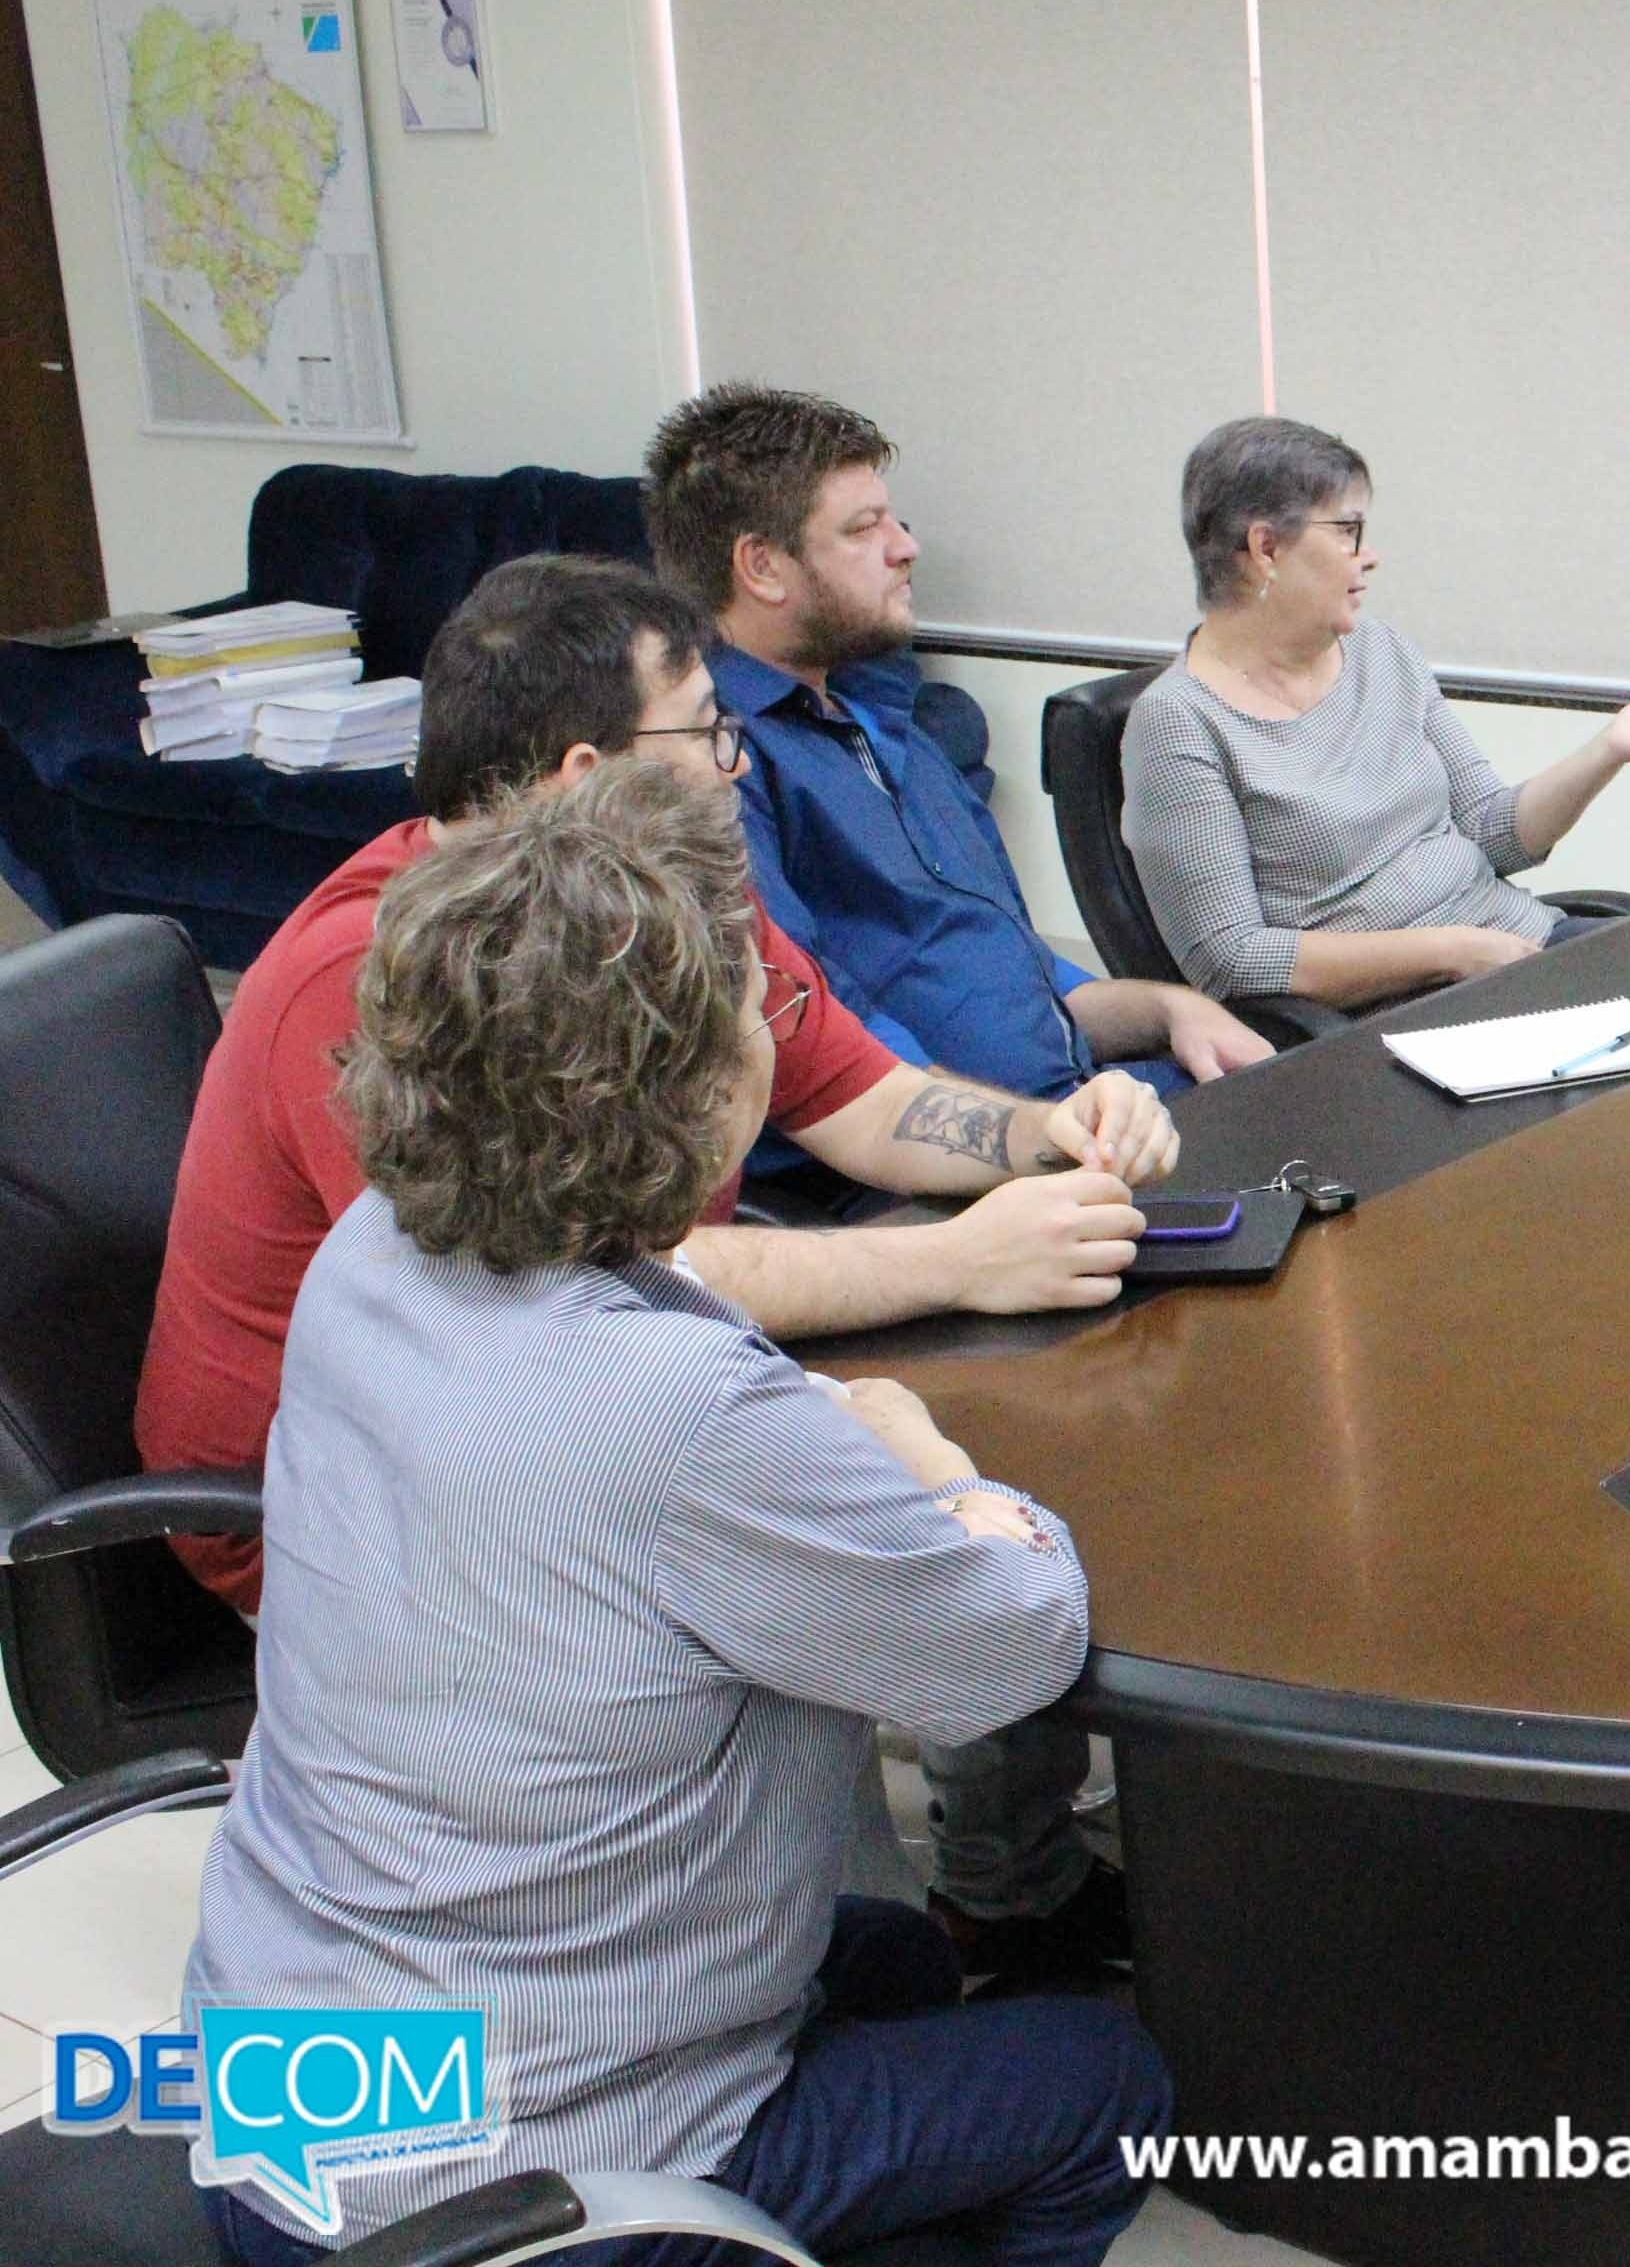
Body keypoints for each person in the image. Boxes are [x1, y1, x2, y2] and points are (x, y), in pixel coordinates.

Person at [184, 764, 1167, 2267]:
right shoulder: (683, 1415)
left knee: (896, 1956)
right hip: (503, 2194)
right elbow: (1012, 1649)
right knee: (1105, 2081)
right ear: (695, 1091)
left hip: (289, 2111)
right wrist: (930, 1463)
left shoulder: (373, 1253)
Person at [138, 554, 1151, 1981]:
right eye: (705, 731)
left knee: (895, 1441)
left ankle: (974, 1895)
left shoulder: (661, 904)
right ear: (583, 769)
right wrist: (954, 1263)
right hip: (364, 1486)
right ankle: (842, 1974)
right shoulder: (390, 972)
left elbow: (854, 1096)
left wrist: (1049, 1133)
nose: (738, 760)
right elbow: (537, 1294)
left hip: (560, 1374)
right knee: (843, 1557)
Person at [642, 384, 1274, 1094]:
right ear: (761, 567)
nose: (906, 548)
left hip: (1079, 1104)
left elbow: (1033, 987)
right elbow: (822, 1049)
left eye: (894, 522)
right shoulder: (718, 767)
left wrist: (1170, 1008)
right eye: (863, 529)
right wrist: (1039, 1134)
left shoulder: (885, 730)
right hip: (945, 1169)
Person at [1120, 416, 1630, 1010]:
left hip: (1516, 948)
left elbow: (1492, 833)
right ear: (1264, 548)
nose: (1368, 555)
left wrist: (1609, 750)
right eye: (1347, 531)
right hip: (1396, 1010)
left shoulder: (1380, 650)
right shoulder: (1180, 723)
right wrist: (1449, 952)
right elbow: (1229, 960)